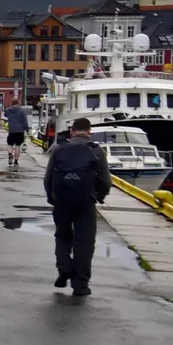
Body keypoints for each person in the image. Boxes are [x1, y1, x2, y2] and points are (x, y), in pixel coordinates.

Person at [46, 117, 111, 297]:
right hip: (85, 202)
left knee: (62, 236)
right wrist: (99, 197)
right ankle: (81, 285)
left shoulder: (58, 149)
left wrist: (52, 199)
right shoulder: (96, 151)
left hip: (62, 201)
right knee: (85, 242)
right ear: (89, 131)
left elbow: (48, 178)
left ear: (72, 131)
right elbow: (106, 181)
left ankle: (64, 268)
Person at [5, 101, 31, 169]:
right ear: (18, 103)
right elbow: (25, 122)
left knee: (10, 144)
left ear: (12, 103)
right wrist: (27, 130)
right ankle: (16, 161)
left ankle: (10, 153)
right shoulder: (22, 111)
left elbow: (5, 115)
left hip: (11, 130)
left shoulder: (8, 110)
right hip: (20, 131)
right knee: (18, 145)